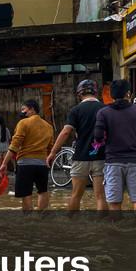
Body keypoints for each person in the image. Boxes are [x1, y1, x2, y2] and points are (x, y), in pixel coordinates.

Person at [92, 79, 136, 211]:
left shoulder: (103, 113)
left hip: (113, 162)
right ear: (128, 94)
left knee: (114, 203)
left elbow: (97, 137)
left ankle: (116, 231)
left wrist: (102, 146)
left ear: (112, 95)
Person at [47, 80, 107, 211]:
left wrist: (52, 152)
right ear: (96, 92)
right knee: (101, 196)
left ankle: (72, 225)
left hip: (81, 157)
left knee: (76, 195)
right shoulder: (105, 109)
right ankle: (103, 228)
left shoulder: (76, 110)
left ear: (79, 94)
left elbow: (66, 132)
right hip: (101, 157)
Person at [0, 99, 54, 211]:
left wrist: (4, 164)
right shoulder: (48, 126)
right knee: (43, 191)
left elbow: (14, 146)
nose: (22, 112)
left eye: (24, 109)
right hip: (42, 165)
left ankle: (29, 220)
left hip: (25, 164)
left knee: (26, 193)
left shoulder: (23, 123)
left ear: (32, 109)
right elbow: (50, 149)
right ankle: (42, 218)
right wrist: (48, 163)